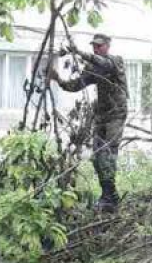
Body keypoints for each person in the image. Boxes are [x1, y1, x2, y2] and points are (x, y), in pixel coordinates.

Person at [48, 32, 128, 211]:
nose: (96, 48)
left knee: (108, 153)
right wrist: (58, 79)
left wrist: (78, 52)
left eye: (99, 46)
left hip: (116, 114)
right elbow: (76, 85)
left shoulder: (115, 61)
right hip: (101, 115)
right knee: (97, 156)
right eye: (94, 46)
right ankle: (109, 194)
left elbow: (105, 64)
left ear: (107, 46)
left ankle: (109, 196)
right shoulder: (93, 68)